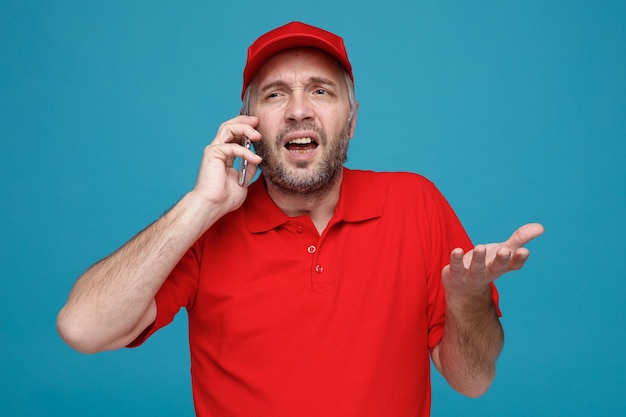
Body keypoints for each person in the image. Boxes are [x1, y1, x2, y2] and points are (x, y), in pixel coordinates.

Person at [57, 21, 544, 417]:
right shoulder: (206, 229)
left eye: (320, 91)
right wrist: (200, 205)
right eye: (273, 95)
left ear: (351, 121)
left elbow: (473, 381)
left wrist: (466, 299)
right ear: (246, 126)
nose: (297, 111)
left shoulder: (416, 203)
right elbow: (82, 328)